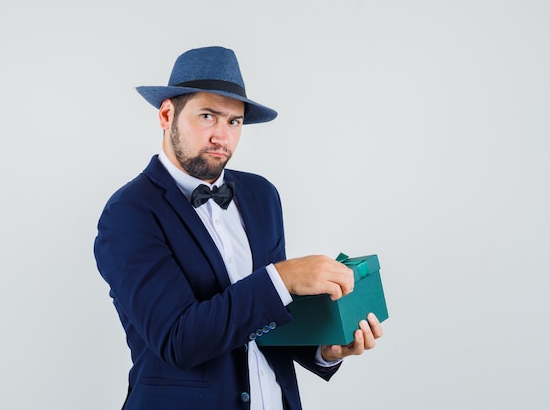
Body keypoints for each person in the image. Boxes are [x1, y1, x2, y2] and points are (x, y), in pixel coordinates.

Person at [94, 46, 383, 410]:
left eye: (234, 122)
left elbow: (271, 320)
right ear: (167, 115)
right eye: (207, 116)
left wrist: (324, 349)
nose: (222, 137)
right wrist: (283, 277)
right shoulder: (129, 213)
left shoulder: (261, 195)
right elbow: (178, 340)